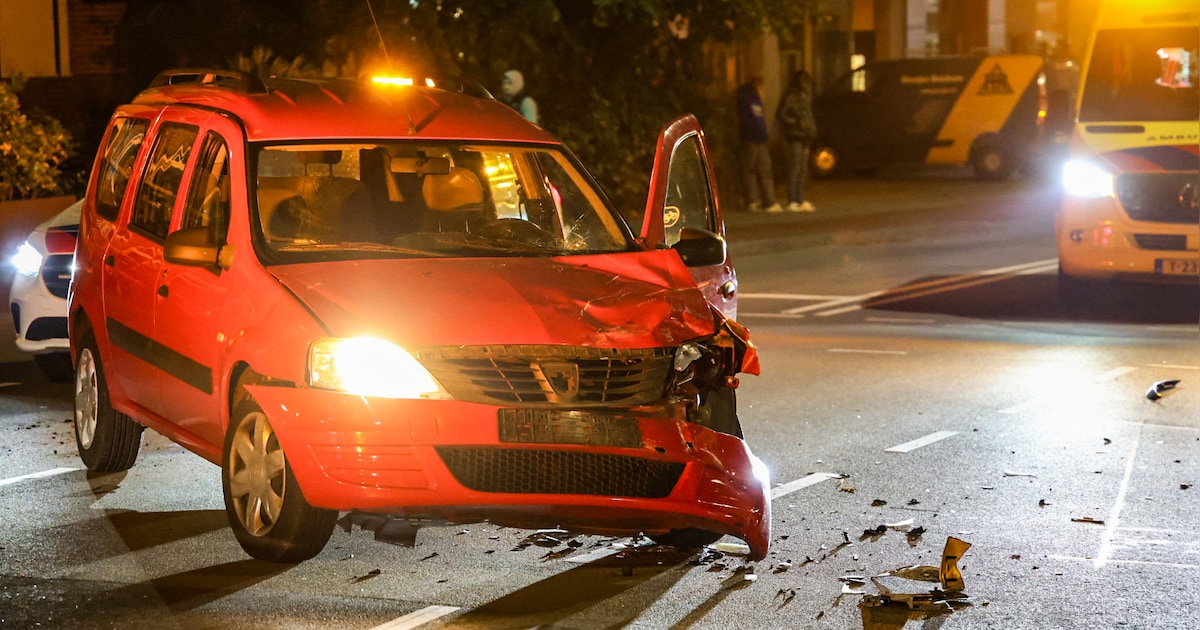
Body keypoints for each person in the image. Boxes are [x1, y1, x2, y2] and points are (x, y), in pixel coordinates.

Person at [736, 77, 781, 213]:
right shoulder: (746, 97)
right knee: (751, 169)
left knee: (764, 169)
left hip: (760, 138)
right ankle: (751, 200)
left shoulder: (755, 97)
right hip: (751, 138)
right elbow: (748, 119)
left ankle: (768, 200)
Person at [776, 70, 817, 212]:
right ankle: (792, 199)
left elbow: (808, 116)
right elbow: (781, 114)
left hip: (805, 137)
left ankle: (799, 198)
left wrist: (810, 131)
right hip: (795, 137)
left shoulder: (805, 96)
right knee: (795, 169)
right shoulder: (791, 96)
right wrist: (795, 123)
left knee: (802, 170)